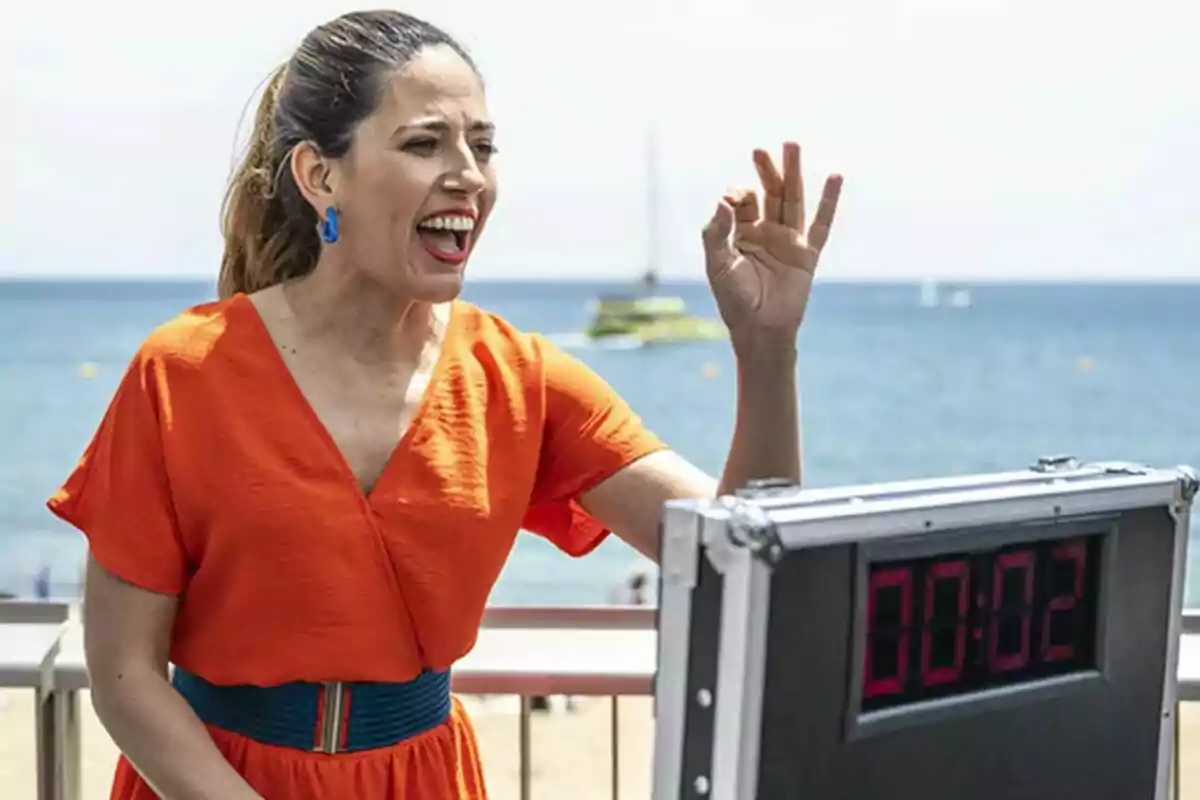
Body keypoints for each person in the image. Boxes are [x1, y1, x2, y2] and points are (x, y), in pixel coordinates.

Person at [46, 9, 842, 800]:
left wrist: (766, 349)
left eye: (483, 146)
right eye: (426, 142)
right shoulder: (182, 372)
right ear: (321, 176)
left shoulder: (519, 379)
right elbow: (125, 673)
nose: (468, 173)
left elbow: (745, 562)